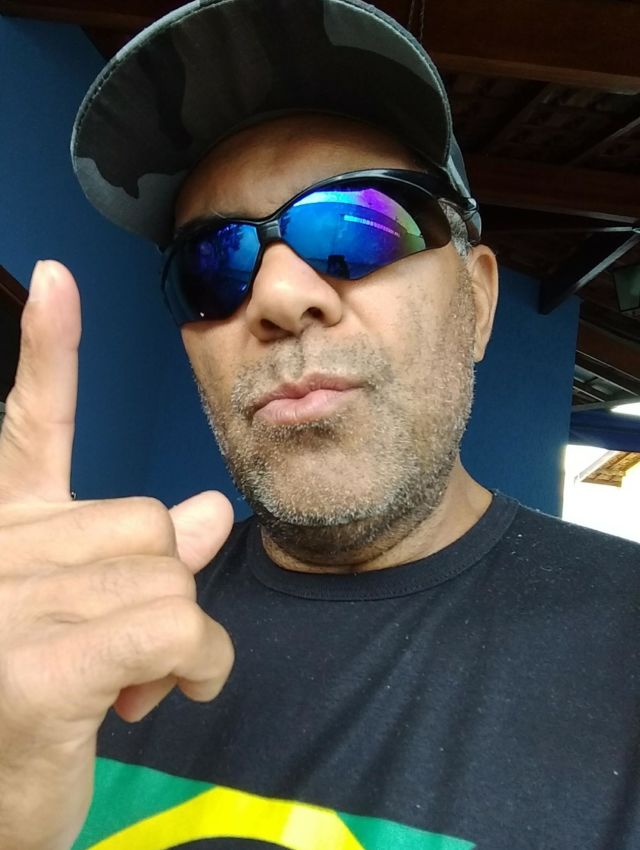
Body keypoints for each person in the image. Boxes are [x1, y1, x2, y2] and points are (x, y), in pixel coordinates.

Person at [0, 1, 638, 848]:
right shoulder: (54, 655)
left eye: (355, 227)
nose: (278, 295)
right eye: (212, 263)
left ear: (478, 301)